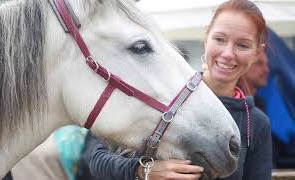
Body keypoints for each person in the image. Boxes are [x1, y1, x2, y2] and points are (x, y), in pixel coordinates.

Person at [77, 0, 273, 179]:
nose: (228, 53)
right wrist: (141, 171)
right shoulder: (163, 92)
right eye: (220, 39)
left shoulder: (255, 123)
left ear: (257, 52)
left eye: (243, 45)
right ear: (206, 38)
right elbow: (95, 159)